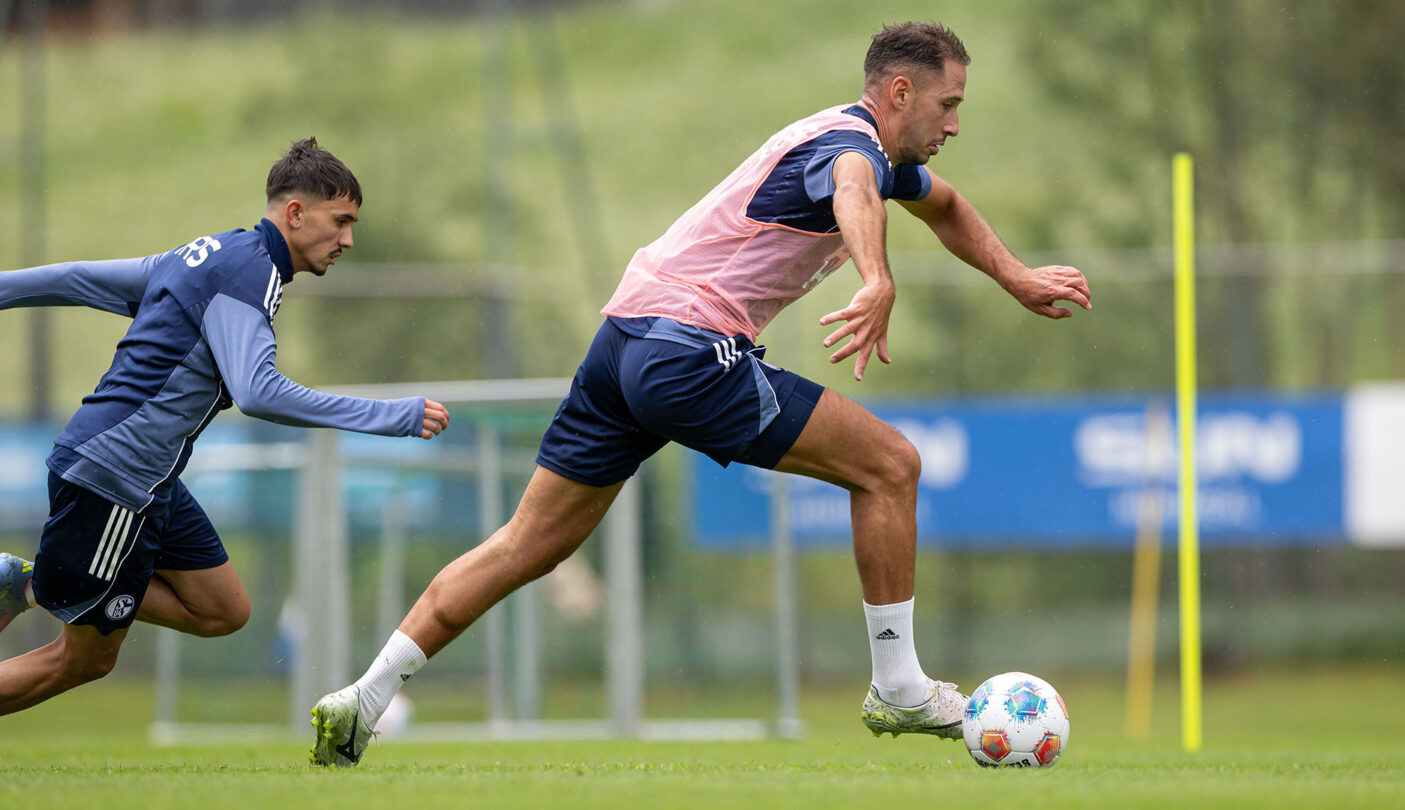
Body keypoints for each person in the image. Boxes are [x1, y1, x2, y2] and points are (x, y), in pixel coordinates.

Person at [310, 21, 1090, 766]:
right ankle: (898, 688)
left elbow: (944, 206)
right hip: (685, 351)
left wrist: (1016, 276)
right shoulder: (850, 147)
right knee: (890, 465)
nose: (954, 124)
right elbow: (852, 187)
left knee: (527, 543)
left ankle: (362, 699)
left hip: (622, 343)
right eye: (948, 104)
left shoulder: (865, 149)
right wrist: (876, 276)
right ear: (899, 93)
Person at [0, 138, 451, 717]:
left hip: (150, 477)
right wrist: (390, 416)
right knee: (82, 660)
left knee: (222, 609)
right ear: (295, 213)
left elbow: (77, 279)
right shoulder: (250, 273)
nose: (348, 240)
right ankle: (46, 583)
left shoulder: (213, 253)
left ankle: (41, 580)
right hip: (114, 475)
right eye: (341, 221)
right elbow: (257, 391)